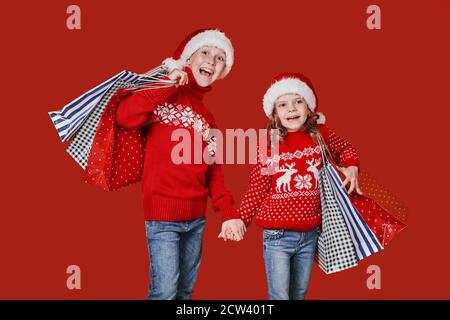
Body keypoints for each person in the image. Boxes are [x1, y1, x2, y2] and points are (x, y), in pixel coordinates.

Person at [116, 29, 246, 300]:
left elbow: (214, 173)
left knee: (184, 293)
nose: (212, 60)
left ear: (223, 71)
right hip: (163, 217)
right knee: (164, 292)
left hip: (196, 220)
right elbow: (125, 116)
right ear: (189, 56)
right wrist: (167, 83)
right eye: (206, 52)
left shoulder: (207, 118)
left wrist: (229, 213)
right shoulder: (165, 94)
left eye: (220, 58)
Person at [220, 72, 362, 300]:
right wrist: (239, 218)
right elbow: (258, 186)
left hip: (310, 234)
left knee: (299, 293)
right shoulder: (272, 142)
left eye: (298, 101)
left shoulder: (320, 134)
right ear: (274, 113)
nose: (291, 109)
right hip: (278, 236)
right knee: (279, 295)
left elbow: (346, 149)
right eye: (283, 104)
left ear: (309, 107)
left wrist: (352, 165)